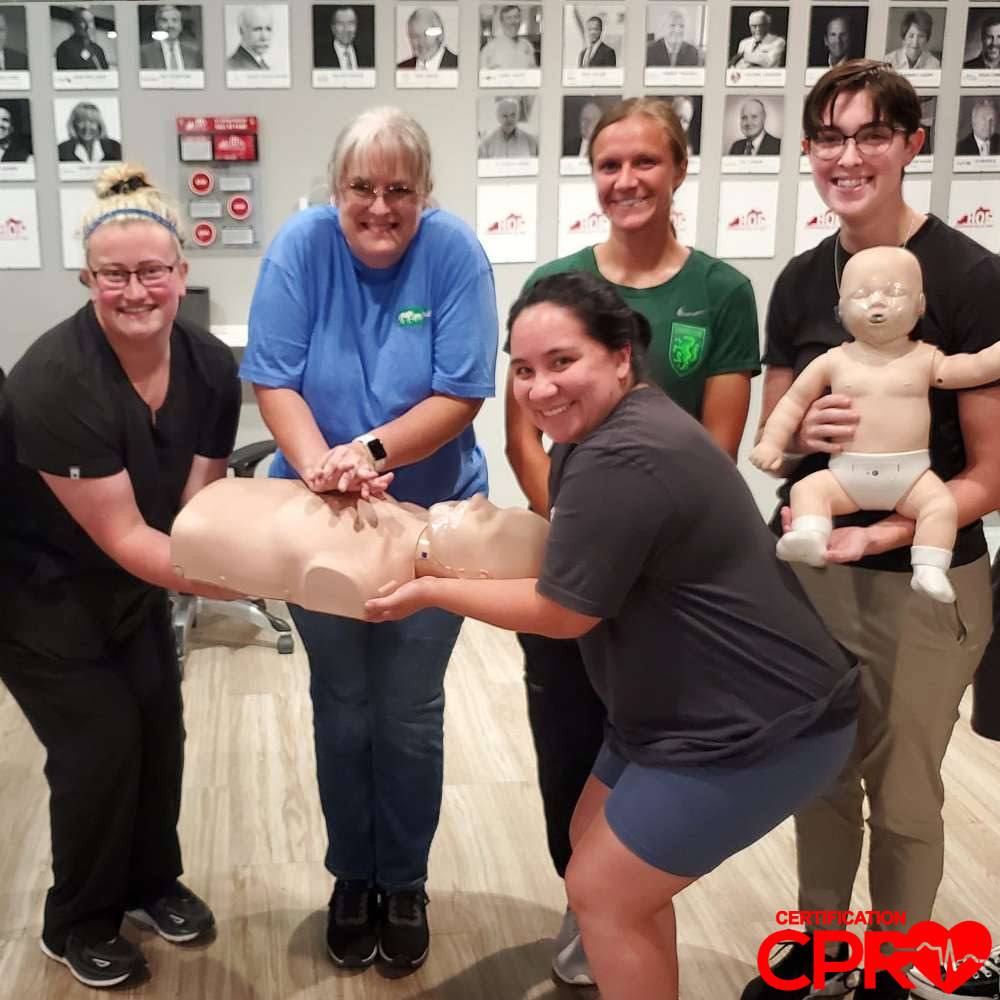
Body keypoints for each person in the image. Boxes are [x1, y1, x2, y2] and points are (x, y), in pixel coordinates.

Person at [368, 269, 858, 1000]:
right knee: (593, 854)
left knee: (602, 889)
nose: (539, 388)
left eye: (563, 363)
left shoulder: (622, 454)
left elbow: (566, 612)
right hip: (669, 713)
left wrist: (432, 589)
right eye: (525, 370)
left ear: (621, 357)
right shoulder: (596, 436)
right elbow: (577, 558)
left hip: (763, 724)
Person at [740, 60, 1000, 1000]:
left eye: (872, 136)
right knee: (817, 775)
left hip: (924, 584)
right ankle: (823, 962)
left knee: (902, 795)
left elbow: (989, 478)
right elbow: (777, 437)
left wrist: (888, 539)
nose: (849, 158)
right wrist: (800, 437)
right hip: (819, 577)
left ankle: (895, 967)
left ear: (911, 144)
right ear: (807, 151)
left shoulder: (971, 280)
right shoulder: (803, 283)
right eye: (830, 138)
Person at [505, 95, 761, 987]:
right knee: (571, 755)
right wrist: (580, 536)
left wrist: (632, 554)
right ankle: (588, 921)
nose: (627, 181)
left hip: (672, 592)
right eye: (609, 165)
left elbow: (718, 452)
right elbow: (521, 440)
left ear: (680, 169)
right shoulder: (557, 287)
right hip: (574, 571)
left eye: (645, 162)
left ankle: (627, 909)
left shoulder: (723, 293)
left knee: (656, 761)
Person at [239, 106, 497, 972]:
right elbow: (272, 374)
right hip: (322, 518)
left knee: (411, 713)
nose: (379, 207)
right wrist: (322, 468)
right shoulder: (302, 246)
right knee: (343, 706)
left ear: (425, 193)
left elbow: (462, 392)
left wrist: (371, 451)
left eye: (399, 190)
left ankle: (406, 881)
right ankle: (354, 877)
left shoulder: (454, 252)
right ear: (335, 189)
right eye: (362, 188)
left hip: (432, 523)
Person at [0, 162, 238, 990]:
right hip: (42, 602)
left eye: (151, 272)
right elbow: (124, 536)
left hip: (133, 590)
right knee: (99, 750)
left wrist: (226, 555)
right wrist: (245, 585)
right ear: (86, 280)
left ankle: (149, 884)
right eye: (114, 276)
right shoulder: (53, 382)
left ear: (181, 274)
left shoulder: (209, 364)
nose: (135, 291)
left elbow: (197, 504)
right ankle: (76, 922)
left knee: (158, 736)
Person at [752, 245, 1000, 604]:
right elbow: (792, 402)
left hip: (911, 477)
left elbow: (974, 368)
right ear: (840, 311)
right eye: (862, 294)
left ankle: (929, 565)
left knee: (940, 507)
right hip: (845, 475)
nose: (877, 303)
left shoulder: (925, 359)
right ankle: (810, 533)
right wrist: (772, 444)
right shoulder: (833, 361)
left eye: (895, 292)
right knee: (807, 491)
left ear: (921, 305)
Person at [171, 479, 549, 619]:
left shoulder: (369, 580)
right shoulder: (410, 516)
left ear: (476, 576)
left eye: (489, 519)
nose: (480, 499)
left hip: (203, 529)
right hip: (222, 506)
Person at [139, 4, 202, 70]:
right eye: (164, 20)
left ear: (181, 25)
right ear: (157, 25)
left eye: (174, 20)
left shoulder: (194, 54)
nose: (170, 25)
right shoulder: (144, 53)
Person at [314, 5, 373, 70]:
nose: (346, 29)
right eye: (340, 24)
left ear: (356, 26)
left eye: (350, 23)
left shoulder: (367, 57)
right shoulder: (319, 58)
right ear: (333, 28)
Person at [479, 4, 537, 70]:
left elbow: (534, 71)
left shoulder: (527, 45)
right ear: (502, 22)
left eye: (516, 17)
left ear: (520, 20)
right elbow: (482, 75)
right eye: (508, 18)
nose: (513, 22)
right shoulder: (490, 48)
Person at [55, 6, 109, 70]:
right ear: (75, 24)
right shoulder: (65, 48)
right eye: (83, 21)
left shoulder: (98, 50)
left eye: (91, 21)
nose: (88, 25)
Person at [227, 4, 273, 70]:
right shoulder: (232, 67)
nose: (264, 37)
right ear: (241, 31)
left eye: (268, 29)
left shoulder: (263, 65)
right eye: (257, 29)